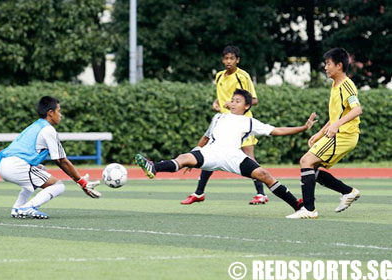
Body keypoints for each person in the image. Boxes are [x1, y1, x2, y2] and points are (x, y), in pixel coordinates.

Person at [136, 89, 317, 213]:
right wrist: (193, 155)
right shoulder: (219, 117)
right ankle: (153, 167)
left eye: (238, 101)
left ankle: (296, 205)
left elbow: (277, 130)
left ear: (246, 106)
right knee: (183, 157)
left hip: (233, 156)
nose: (232, 103)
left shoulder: (249, 121)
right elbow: (206, 138)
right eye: (232, 100)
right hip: (212, 153)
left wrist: (303, 127)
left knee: (264, 174)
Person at [181, 45, 267, 206]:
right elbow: (221, 97)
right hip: (222, 123)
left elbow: (253, 100)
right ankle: (199, 192)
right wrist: (217, 102)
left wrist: (232, 104)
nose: (229, 61)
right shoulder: (219, 76)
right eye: (226, 58)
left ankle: (261, 194)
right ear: (222, 59)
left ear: (237, 60)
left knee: (249, 157)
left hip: (241, 124)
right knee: (211, 154)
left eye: (232, 58)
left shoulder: (242, 76)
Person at [286, 48, 362, 219]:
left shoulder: (346, 85)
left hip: (344, 135)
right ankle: (348, 192)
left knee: (306, 160)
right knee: (312, 169)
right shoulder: (335, 86)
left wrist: (336, 126)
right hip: (339, 133)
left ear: (339, 65)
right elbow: (337, 115)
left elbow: (357, 109)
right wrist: (320, 133)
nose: (325, 67)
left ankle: (309, 209)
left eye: (328, 64)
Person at [0, 96, 101, 219]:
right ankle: (28, 207)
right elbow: (61, 161)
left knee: (41, 170)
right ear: (50, 113)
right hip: (17, 166)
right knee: (58, 186)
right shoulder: (48, 130)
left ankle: (18, 208)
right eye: (59, 111)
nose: (60, 115)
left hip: (5, 164)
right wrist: (82, 182)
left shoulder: (35, 126)